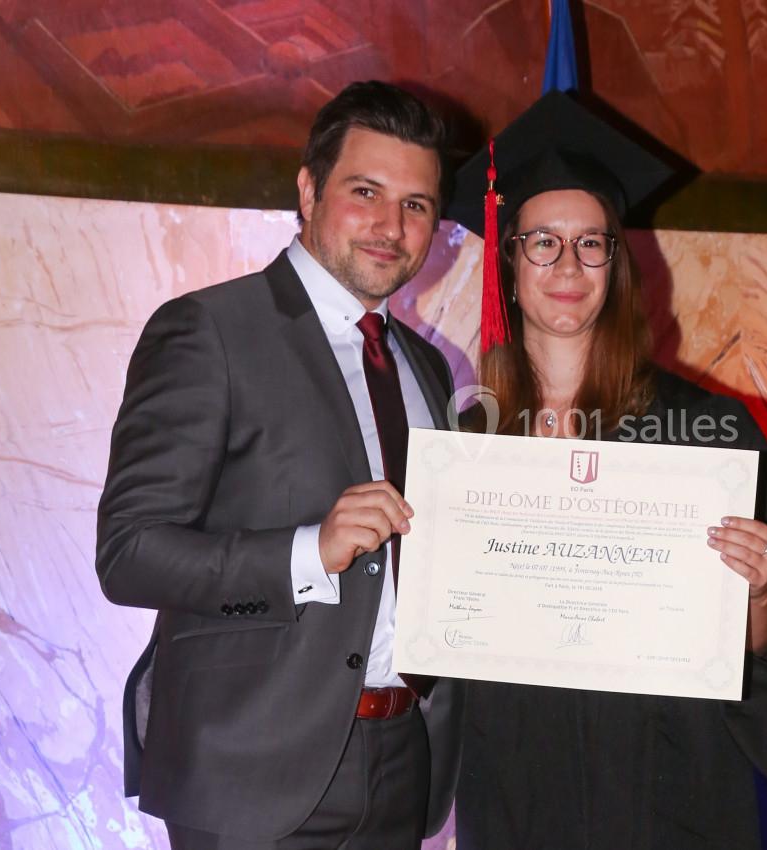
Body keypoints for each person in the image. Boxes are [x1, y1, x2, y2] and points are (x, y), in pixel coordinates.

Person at [444, 91, 767, 849]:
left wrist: (760, 593)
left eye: (591, 243)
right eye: (542, 242)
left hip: (674, 793)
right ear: (508, 262)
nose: (568, 264)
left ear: (615, 264)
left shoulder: (707, 435)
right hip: (519, 792)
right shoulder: (466, 445)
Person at [96, 81, 461, 849]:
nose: (391, 226)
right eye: (366, 192)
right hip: (250, 773)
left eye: (417, 204)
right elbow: (129, 554)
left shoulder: (425, 367)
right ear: (308, 189)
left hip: (402, 760)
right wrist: (307, 552)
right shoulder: (211, 331)